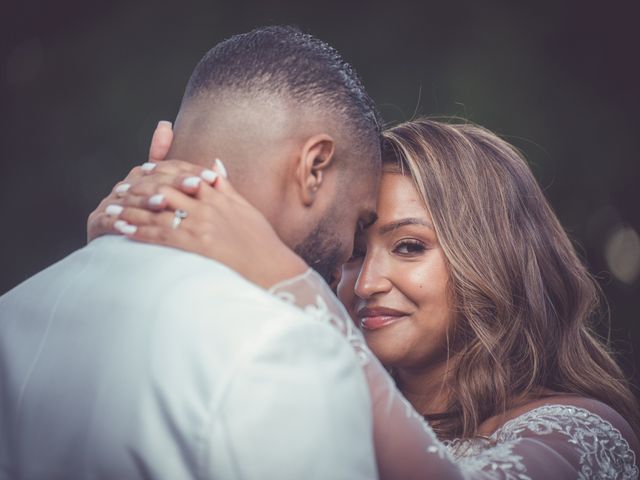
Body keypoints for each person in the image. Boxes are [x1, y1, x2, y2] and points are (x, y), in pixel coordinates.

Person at [91, 118, 640, 478]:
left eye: (407, 246)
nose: (367, 282)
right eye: (353, 252)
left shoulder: (582, 431)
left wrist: (285, 277)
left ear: (494, 257)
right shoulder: (310, 411)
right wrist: (141, 256)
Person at [0, 26, 384, 479]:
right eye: (359, 225)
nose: (350, 261)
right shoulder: (284, 346)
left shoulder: (15, 310)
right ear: (314, 167)